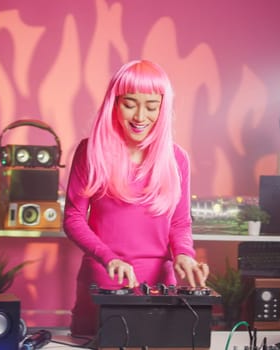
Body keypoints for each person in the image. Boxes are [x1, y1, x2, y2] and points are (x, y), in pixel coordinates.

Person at [63, 59, 210, 335]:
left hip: (159, 288)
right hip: (102, 281)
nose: (140, 116)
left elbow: (180, 224)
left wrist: (185, 256)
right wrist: (109, 259)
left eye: (151, 106)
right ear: (114, 103)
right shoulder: (90, 151)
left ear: (162, 108)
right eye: (130, 104)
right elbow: (72, 218)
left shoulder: (177, 159)